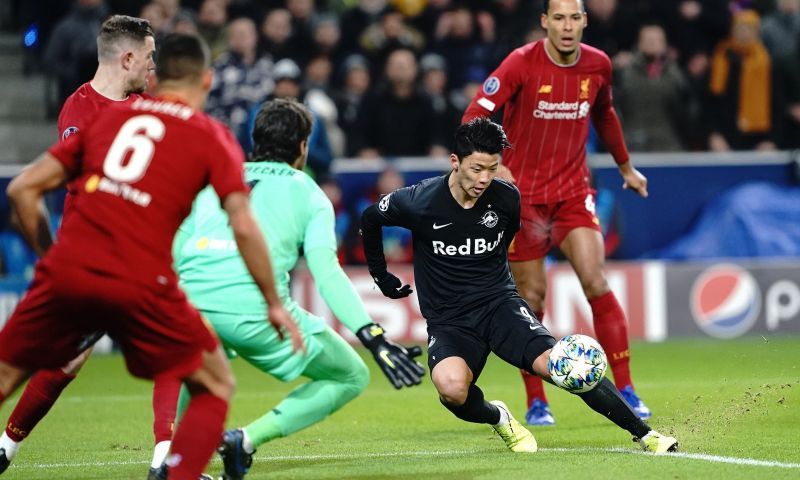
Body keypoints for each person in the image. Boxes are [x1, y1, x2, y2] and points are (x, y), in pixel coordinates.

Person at [0, 33, 303, 480]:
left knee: (10, 371)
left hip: (70, 265)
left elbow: (22, 190)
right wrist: (274, 302)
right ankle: (171, 471)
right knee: (213, 381)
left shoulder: (109, 119)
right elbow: (242, 222)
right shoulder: (210, 135)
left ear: (159, 78)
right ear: (207, 79)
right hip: (140, 274)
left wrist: (51, 256)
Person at [360, 117, 677, 455]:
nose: (484, 178)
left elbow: (506, 241)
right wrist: (381, 275)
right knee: (452, 390)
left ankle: (647, 435)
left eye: (492, 168)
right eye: (477, 168)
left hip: (500, 308)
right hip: (449, 320)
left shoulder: (506, 198)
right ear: (455, 162)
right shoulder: (418, 201)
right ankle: (500, 418)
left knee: (566, 368)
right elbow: (370, 219)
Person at [172, 98, 424, 479]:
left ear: (254, 139)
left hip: (189, 304)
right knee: (350, 375)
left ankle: (175, 462)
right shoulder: (308, 192)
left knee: (200, 366)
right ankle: (246, 439)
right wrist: (372, 336)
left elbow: (177, 244)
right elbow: (326, 272)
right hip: (254, 311)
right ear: (303, 147)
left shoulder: (215, 180)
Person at [0, 15, 192, 478]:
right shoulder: (80, 110)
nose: (152, 67)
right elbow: (68, 183)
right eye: (147, 57)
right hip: (93, 256)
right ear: (126, 57)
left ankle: (162, 461)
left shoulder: (148, 106)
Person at [461, 0, 652, 426]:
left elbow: (605, 114)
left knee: (596, 279)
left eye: (574, 18)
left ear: (584, 21)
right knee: (530, 299)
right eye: (559, 18)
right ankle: (536, 400)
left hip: (571, 193)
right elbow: (475, 114)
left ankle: (626, 390)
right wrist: (497, 166)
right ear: (545, 22)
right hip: (522, 200)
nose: (567, 26)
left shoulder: (599, 65)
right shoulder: (519, 63)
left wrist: (625, 166)